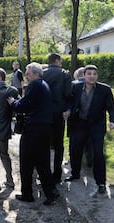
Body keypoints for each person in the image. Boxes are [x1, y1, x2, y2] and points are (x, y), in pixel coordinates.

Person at [7, 62, 58, 206]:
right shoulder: (43, 84)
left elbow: (24, 106)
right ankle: (51, 193)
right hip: (45, 128)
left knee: (26, 162)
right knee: (43, 162)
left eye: (28, 73)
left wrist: (13, 102)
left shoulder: (35, 85)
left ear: (36, 73)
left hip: (34, 128)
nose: (26, 75)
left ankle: (27, 194)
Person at [64, 65, 114, 194]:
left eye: (94, 74)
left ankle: (101, 182)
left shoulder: (104, 89)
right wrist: (68, 110)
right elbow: (70, 102)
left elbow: (111, 107)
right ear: (84, 75)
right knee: (75, 150)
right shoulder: (76, 87)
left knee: (98, 154)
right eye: (89, 74)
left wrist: (113, 121)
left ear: (97, 76)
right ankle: (75, 173)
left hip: (97, 125)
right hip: (79, 123)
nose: (92, 76)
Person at [42, 53, 72, 184]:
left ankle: (44, 172)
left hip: (43, 112)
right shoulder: (65, 74)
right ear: (58, 61)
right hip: (59, 112)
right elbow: (67, 93)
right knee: (59, 144)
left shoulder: (42, 73)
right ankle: (57, 174)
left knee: (44, 144)